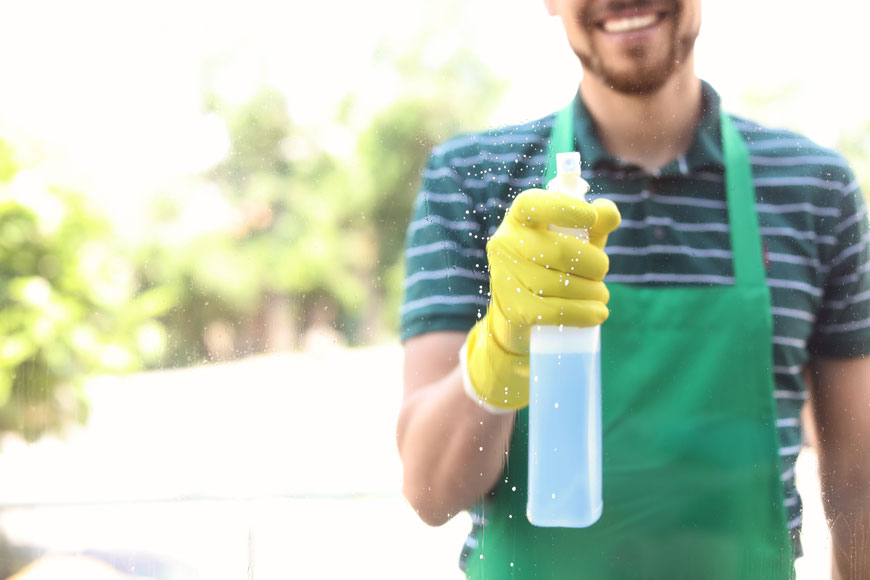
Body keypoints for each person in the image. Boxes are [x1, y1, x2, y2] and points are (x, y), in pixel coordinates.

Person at [396, 0, 870, 578]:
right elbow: (429, 492)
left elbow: (858, 483)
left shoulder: (813, 190)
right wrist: (498, 352)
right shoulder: (472, 182)